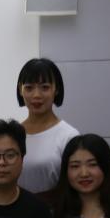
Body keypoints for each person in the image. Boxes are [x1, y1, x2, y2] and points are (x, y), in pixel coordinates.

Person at [17, 58, 79, 195]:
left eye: (44, 87)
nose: (36, 95)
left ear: (56, 89)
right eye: (29, 88)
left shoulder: (68, 136)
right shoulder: (13, 134)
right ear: (21, 90)